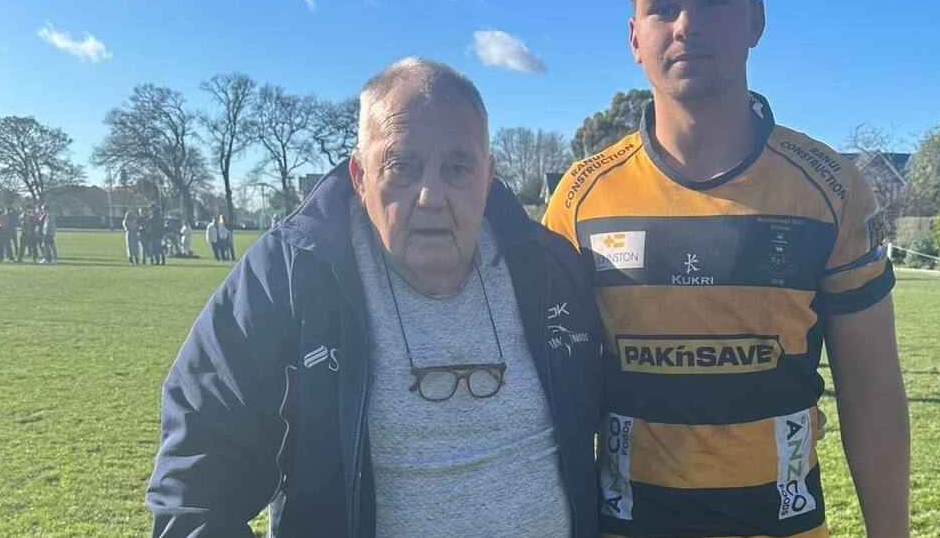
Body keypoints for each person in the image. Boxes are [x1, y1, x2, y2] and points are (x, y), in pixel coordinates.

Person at [543, 0, 910, 538]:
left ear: (755, 20)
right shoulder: (580, 199)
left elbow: (872, 391)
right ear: (633, 36)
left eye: (713, 1)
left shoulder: (831, 189)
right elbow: (546, 398)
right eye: (662, 7)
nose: (686, 25)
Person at [147, 57, 601, 538]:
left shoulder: (549, 268)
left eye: (458, 168)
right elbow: (194, 490)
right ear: (360, 175)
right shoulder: (291, 275)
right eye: (402, 167)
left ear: (488, 178)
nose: (430, 196)